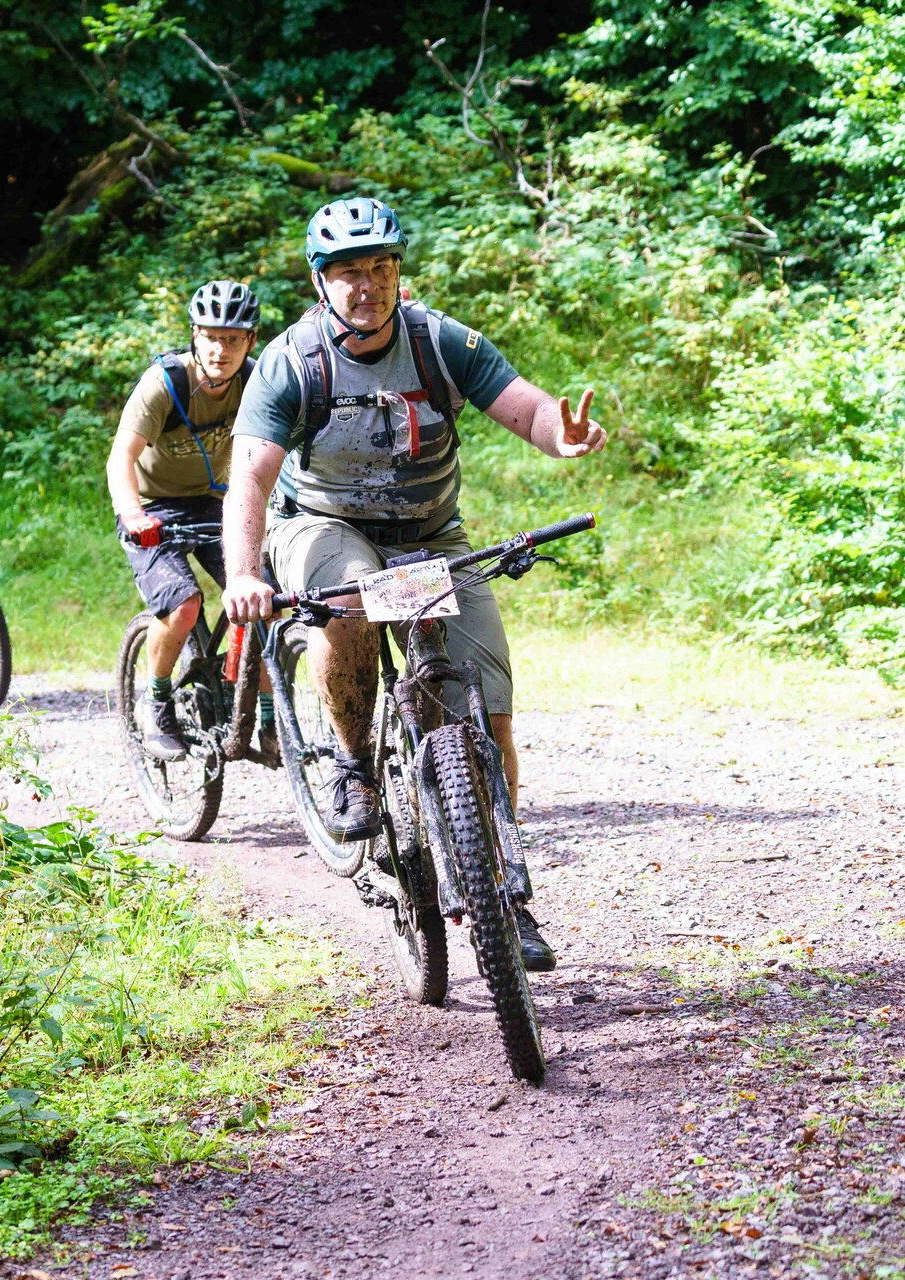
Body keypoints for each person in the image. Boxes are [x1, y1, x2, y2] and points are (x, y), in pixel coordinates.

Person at [219, 198, 607, 971]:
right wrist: (242, 574)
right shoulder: (292, 362)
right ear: (320, 281)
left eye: (381, 267)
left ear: (399, 271)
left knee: (485, 714)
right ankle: (354, 763)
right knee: (349, 601)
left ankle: (503, 893)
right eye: (348, 272)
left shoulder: (439, 342)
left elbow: (525, 406)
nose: (367, 284)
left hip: (431, 537)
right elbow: (250, 481)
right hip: (325, 525)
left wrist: (557, 436)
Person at [105, 280, 267, 759]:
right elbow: (121, 457)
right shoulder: (165, 384)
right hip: (152, 508)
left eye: (233, 339)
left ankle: (265, 713)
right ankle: (155, 701)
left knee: (265, 600)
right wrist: (132, 514)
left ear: (250, 340)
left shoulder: (255, 382)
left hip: (218, 502)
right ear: (195, 335)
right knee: (183, 606)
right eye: (211, 337)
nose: (221, 350)